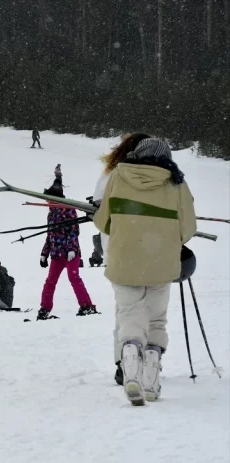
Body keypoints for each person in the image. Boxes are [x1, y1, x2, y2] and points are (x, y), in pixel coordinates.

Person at [93, 137, 196, 406]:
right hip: (162, 263)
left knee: (130, 315)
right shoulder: (176, 182)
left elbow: (103, 222)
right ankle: (151, 382)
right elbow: (188, 228)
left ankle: (129, 359)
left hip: (124, 260)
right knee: (156, 319)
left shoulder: (118, 176)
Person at [93, 133, 151, 384]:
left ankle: (126, 359)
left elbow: (99, 208)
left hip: (118, 248)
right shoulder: (148, 172)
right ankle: (139, 360)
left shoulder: (112, 173)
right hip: (148, 247)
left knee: (127, 307)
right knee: (146, 307)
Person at [36, 179, 96, 320]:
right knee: (50, 281)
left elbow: (73, 231)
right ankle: (44, 308)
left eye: (48, 199)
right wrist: (44, 253)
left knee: (74, 277)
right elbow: (49, 235)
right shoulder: (50, 214)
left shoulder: (68, 209)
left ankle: (87, 306)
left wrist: (71, 249)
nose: (47, 203)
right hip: (56, 254)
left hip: (70, 253)